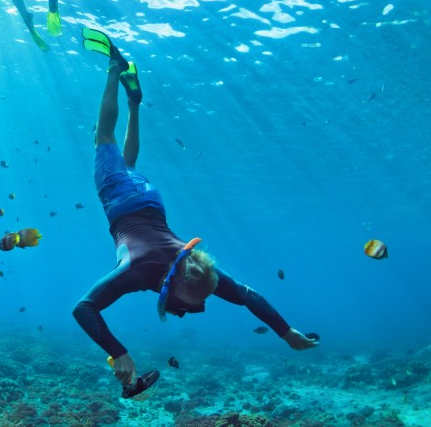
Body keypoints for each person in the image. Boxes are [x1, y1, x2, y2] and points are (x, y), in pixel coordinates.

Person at [72, 27, 319, 393]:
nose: (190, 310)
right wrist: (119, 353)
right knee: (103, 139)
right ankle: (113, 68)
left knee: (129, 163)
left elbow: (248, 296)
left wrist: (287, 333)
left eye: (197, 304)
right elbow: (83, 308)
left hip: (151, 199)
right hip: (123, 201)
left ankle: (135, 104)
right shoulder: (139, 271)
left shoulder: (197, 275)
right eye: (188, 304)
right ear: (173, 283)